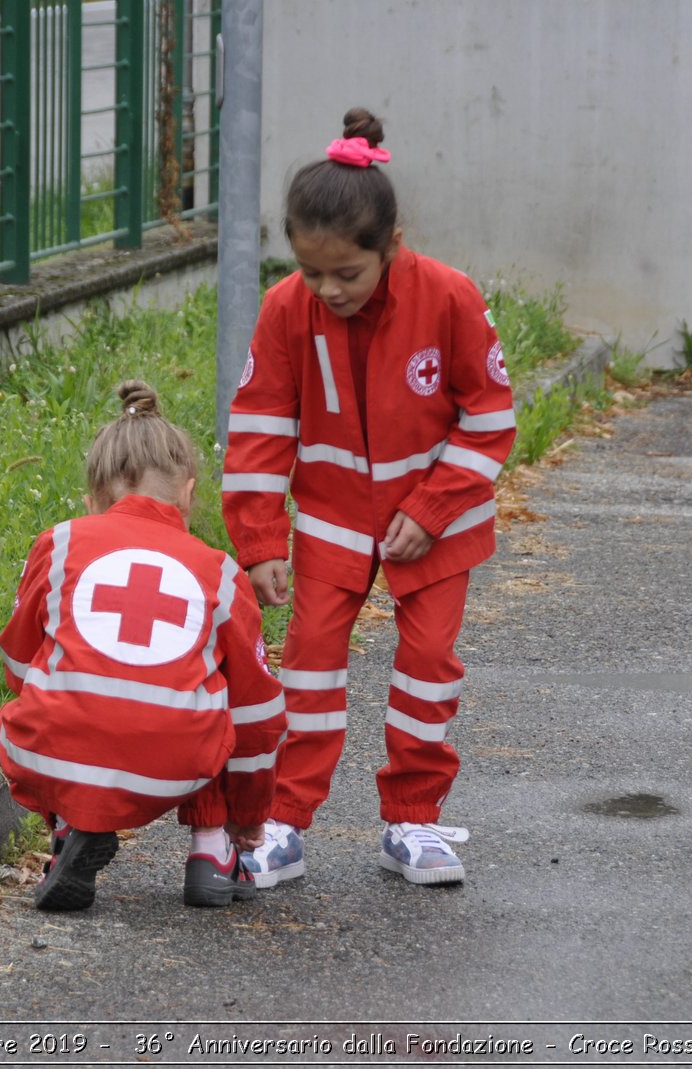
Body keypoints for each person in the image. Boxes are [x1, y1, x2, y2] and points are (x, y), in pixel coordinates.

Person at [222, 107, 516, 887]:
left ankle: (412, 823)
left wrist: (433, 508)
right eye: (312, 271)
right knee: (310, 666)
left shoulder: (449, 297)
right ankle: (282, 822)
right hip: (332, 518)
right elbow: (259, 429)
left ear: (392, 243)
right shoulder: (288, 308)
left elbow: (490, 414)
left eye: (347, 273)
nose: (328, 289)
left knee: (427, 667)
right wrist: (258, 543)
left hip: (437, 520)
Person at [0, 380, 287, 910]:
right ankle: (212, 851)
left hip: (57, 752)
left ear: (91, 501)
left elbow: (16, 660)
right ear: (189, 493)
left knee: (36, 702)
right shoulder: (218, 572)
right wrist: (251, 813)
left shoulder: (58, 542)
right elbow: (259, 716)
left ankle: (68, 831)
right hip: (178, 766)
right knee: (210, 690)